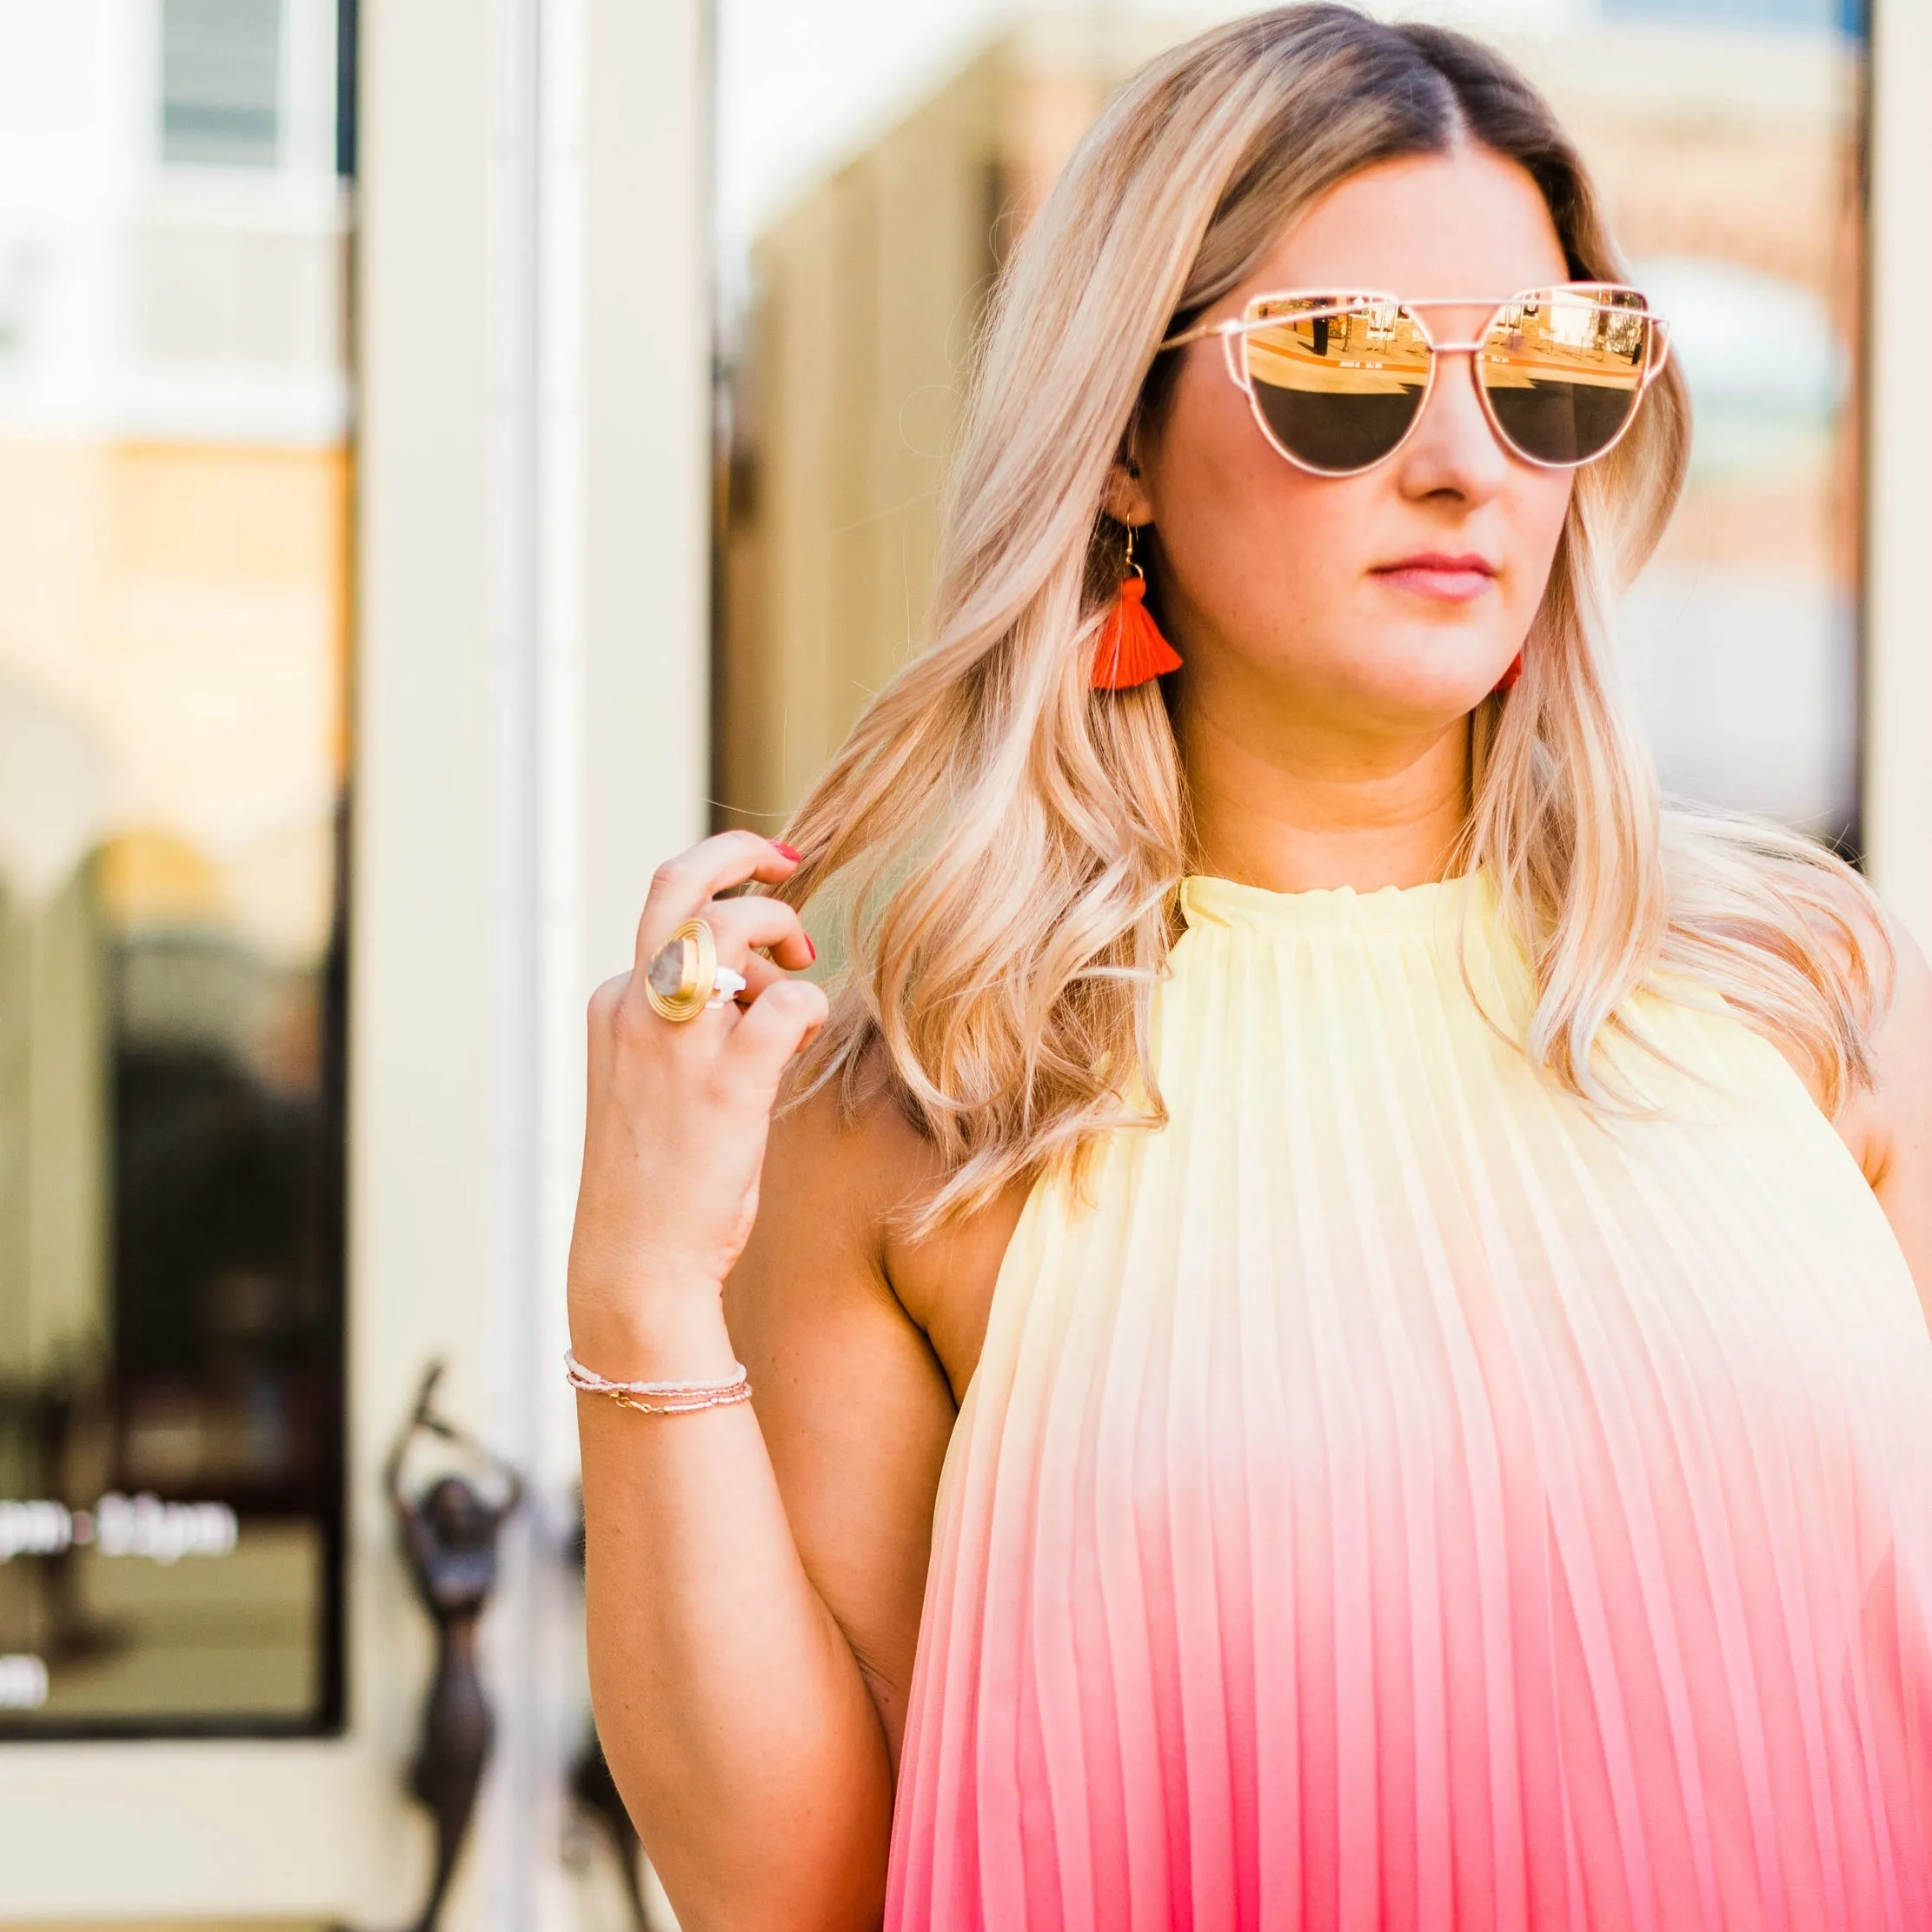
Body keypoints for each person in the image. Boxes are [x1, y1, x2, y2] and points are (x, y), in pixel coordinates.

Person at [568, 9, 1932, 1928]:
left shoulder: (1816, 1008)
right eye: (1341, 364)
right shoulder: (934, 1116)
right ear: (1121, 439)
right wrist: (638, 1284)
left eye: (1547, 368)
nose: (1467, 463)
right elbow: (794, 1887)